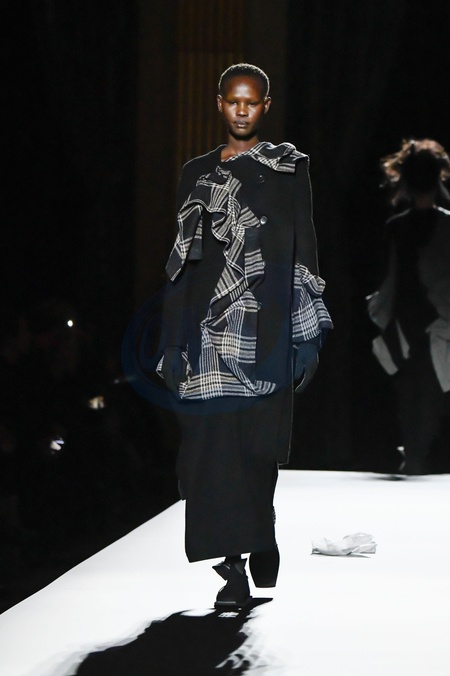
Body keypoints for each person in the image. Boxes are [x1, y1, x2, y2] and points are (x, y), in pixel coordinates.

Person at [158, 63, 332, 608]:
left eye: (251, 101)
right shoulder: (196, 173)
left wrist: (308, 333)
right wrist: (171, 341)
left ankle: (261, 526)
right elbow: (183, 261)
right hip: (208, 329)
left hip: (268, 326)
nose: (241, 110)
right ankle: (231, 569)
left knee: (258, 450)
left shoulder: (288, 169)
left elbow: (304, 247)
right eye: (232, 100)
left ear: (265, 106)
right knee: (210, 453)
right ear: (219, 103)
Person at [367, 138, 450, 475]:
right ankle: (417, 461)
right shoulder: (445, 226)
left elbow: (391, 282)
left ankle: (415, 460)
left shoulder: (397, 227)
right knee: (426, 410)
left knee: (412, 408)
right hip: (436, 329)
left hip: (406, 328)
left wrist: (379, 313)